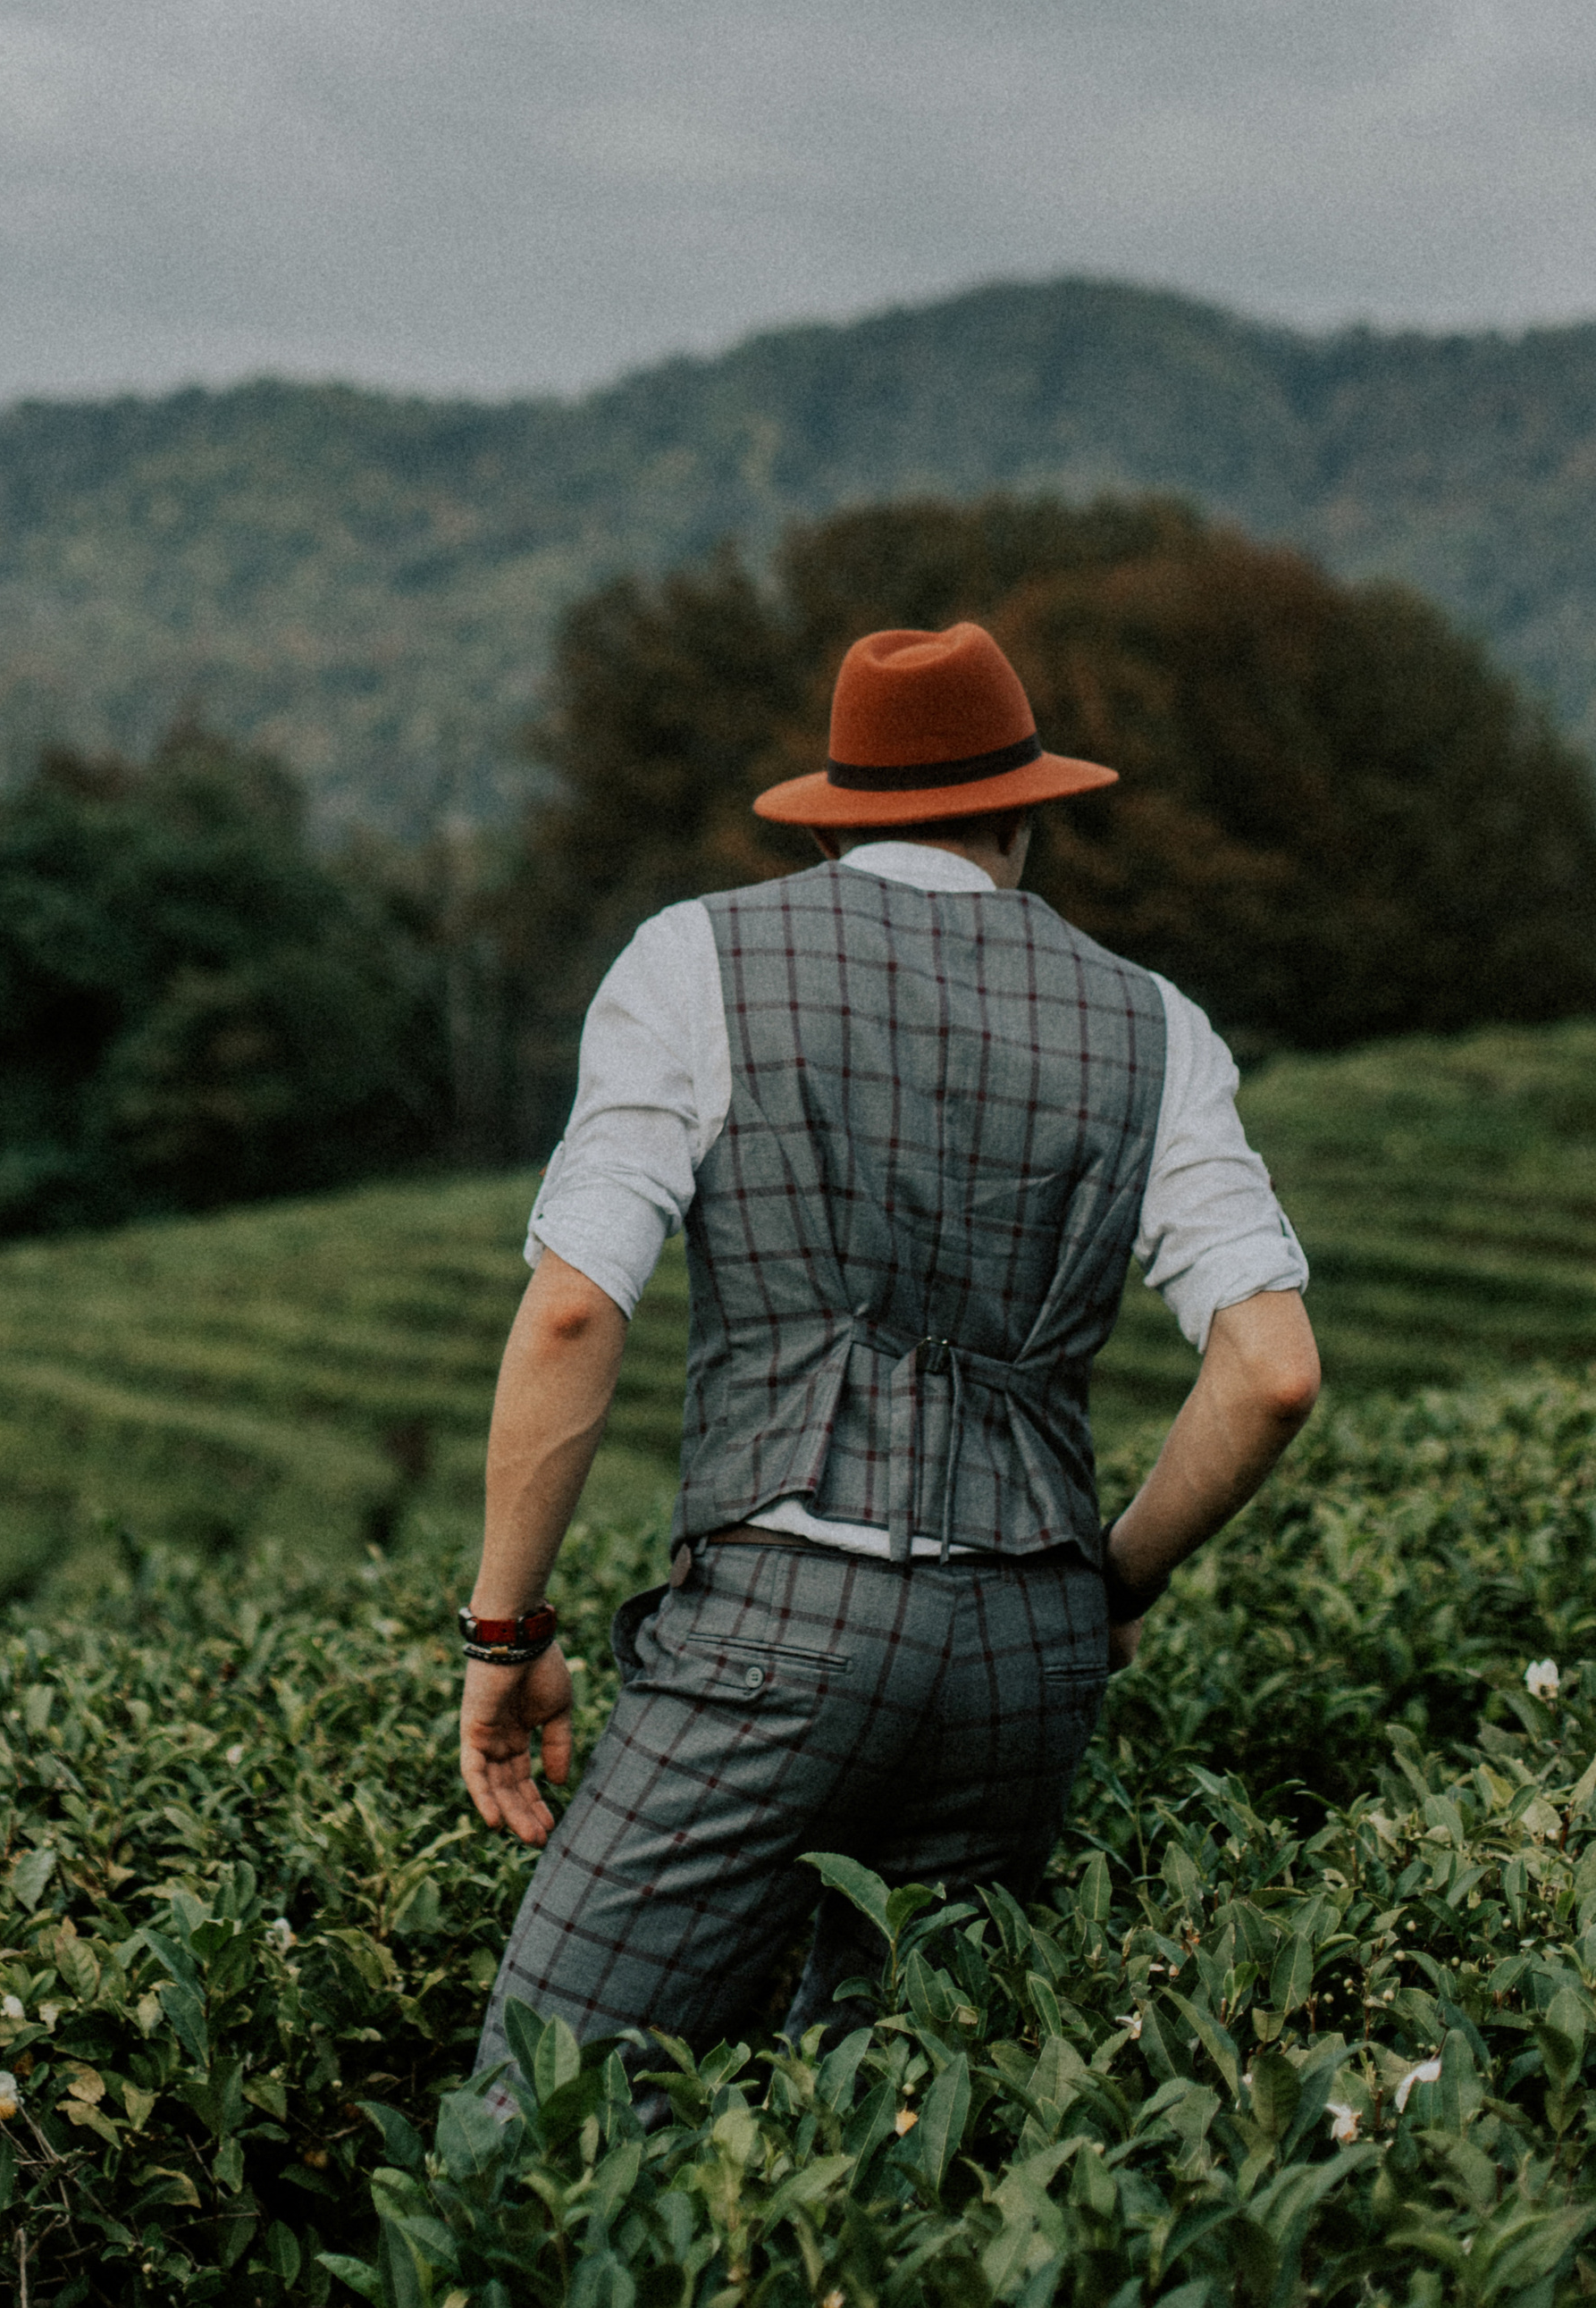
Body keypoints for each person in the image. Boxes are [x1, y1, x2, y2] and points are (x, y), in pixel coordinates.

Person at [458, 618, 1320, 2063]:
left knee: (555, 2114)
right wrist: (1113, 1575)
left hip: (777, 1621)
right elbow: (1274, 1367)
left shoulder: (694, 960)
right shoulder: (1155, 1023)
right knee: (897, 2137)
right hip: (1028, 1655)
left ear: (835, 822)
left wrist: (505, 1626)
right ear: (1024, 809)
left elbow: (569, 1306)